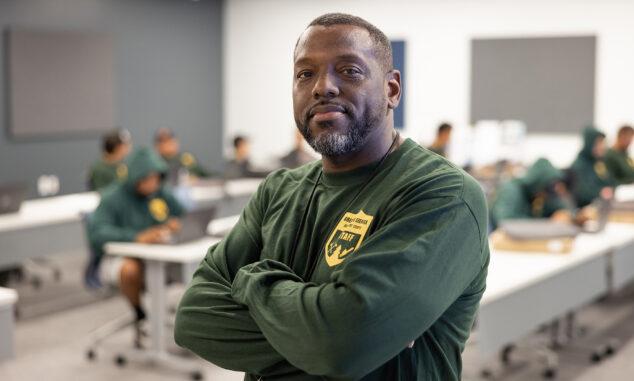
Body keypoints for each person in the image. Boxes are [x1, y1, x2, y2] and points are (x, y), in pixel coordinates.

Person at [174, 13, 489, 381]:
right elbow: (194, 319)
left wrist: (250, 280)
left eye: (349, 70)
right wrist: (327, 338)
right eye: (305, 74)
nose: (323, 87)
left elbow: (345, 345)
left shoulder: (443, 194)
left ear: (392, 90)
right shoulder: (278, 190)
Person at [87, 147, 184, 344]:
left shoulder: (160, 191)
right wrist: (137, 237)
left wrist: (175, 223)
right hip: (120, 258)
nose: (152, 184)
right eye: (147, 180)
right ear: (136, 178)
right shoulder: (112, 198)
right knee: (130, 270)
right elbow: (97, 234)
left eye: (156, 179)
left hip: (158, 256)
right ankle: (140, 314)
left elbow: (183, 214)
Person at [490, 158, 579, 228]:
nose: (545, 196)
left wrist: (571, 215)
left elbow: (561, 208)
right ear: (537, 183)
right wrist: (547, 223)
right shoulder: (510, 190)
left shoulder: (539, 196)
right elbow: (504, 222)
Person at [570, 125, 613, 207]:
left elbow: (608, 182)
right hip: (586, 209)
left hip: (603, 206)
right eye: (599, 143)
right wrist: (601, 193)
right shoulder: (579, 165)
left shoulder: (599, 163)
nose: (602, 147)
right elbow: (581, 193)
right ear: (590, 144)